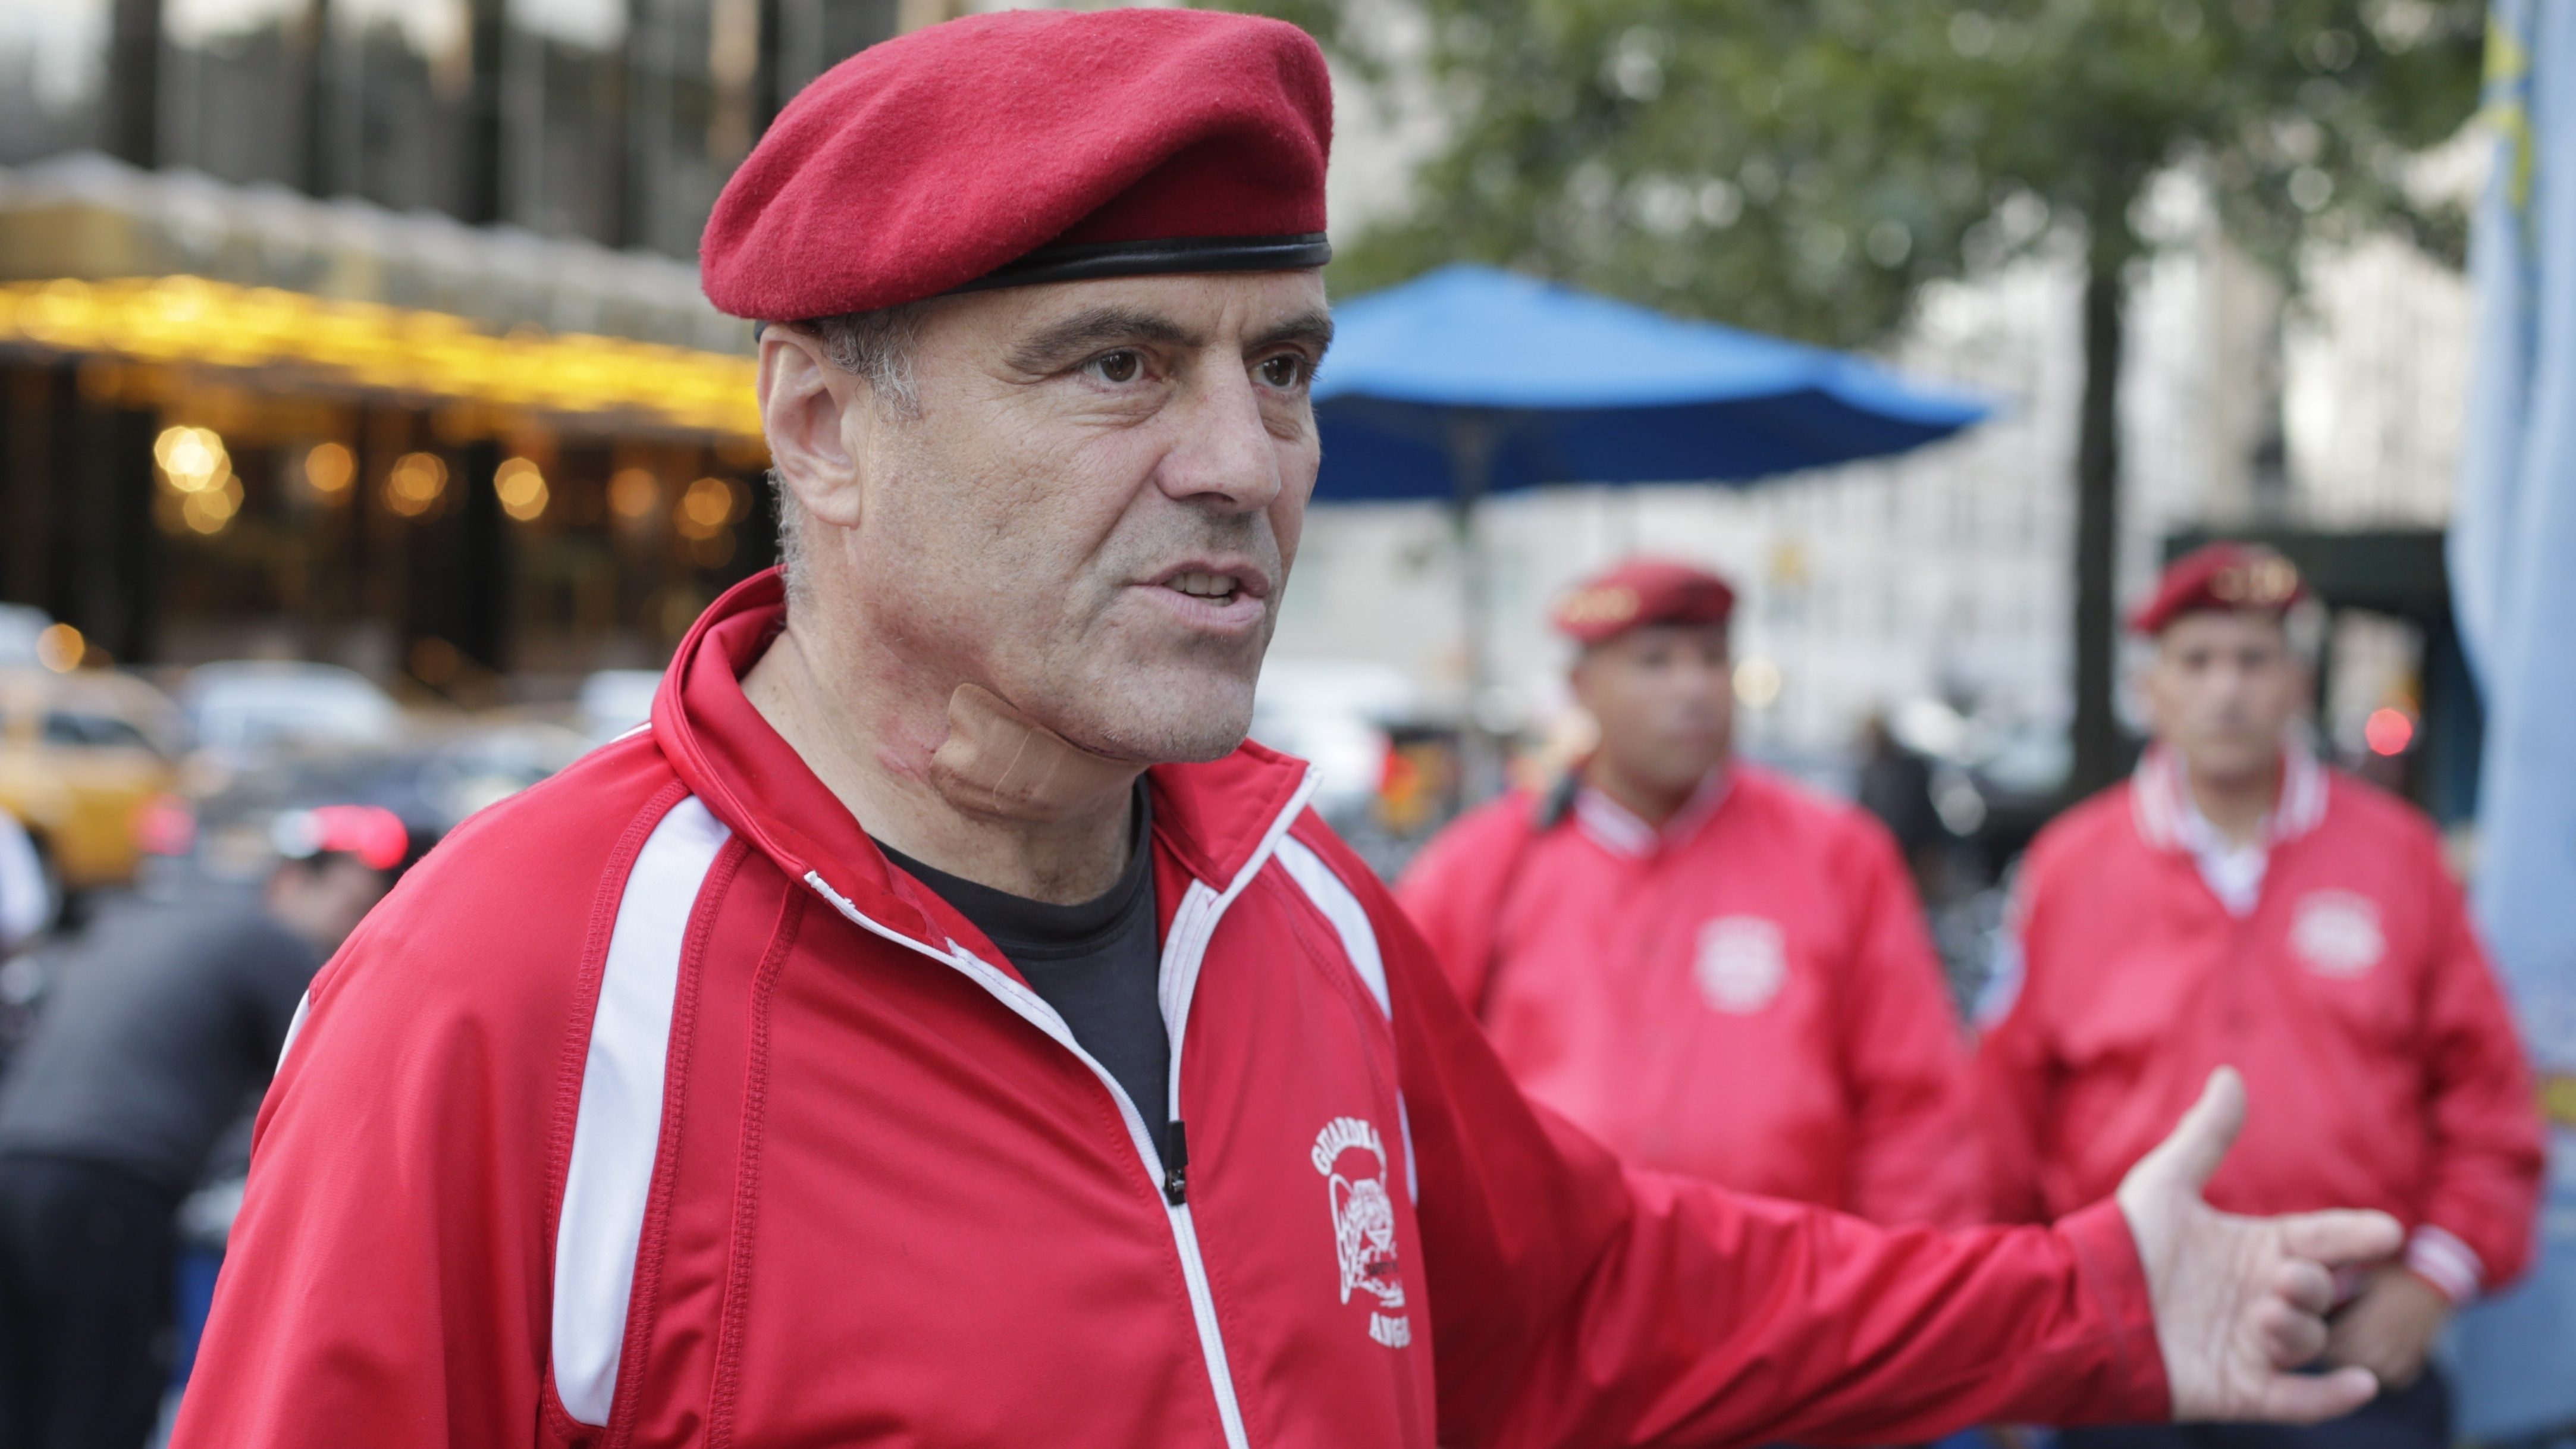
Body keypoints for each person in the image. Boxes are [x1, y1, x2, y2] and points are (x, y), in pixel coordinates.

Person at [175, 14, 2402, 1448]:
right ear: (825, 427)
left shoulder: (1295, 914)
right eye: (1119, 365)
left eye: (1285, 368)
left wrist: (2087, 1294)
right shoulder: (519, 989)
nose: (1243, 462)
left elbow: (1601, 1300)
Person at [1975, 542, 2545, 1449]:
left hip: (2347, 1350)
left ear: (2296, 682)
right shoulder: (2069, 868)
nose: (2224, 690)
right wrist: (2004, 1333)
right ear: (2147, 686)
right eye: (2194, 661)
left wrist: (2434, 1277)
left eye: (2252, 659)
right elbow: (1998, 1115)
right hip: (2129, 1348)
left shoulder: (2395, 858)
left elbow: (2487, 1099)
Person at [1398, 558, 1985, 1226]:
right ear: (1580, 688)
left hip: (1790, 1300)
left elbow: (1916, 1115)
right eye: (1654, 662)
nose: (1693, 688)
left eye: (1711, 659)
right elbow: (1407, 1095)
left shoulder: (1837, 856)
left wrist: (1896, 1301)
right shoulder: (1481, 867)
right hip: (1552, 1305)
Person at [0, 804, 416, 1449]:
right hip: (107, 1183)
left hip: (17, 1159)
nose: (350, 933)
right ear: (289, 884)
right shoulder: (270, 945)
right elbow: (336, 1081)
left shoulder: (152, 922)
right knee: (100, 1403)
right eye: (349, 906)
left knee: (24, 1397)